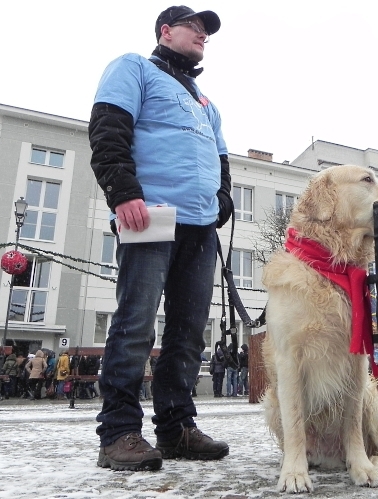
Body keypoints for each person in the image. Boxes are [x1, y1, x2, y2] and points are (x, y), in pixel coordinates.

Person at [88, 5, 232, 471]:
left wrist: (224, 199)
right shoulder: (133, 67)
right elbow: (108, 128)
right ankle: (119, 432)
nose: (203, 36)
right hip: (149, 214)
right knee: (135, 323)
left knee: (189, 332)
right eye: (195, 28)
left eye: (207, 32)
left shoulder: (205, 102)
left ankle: (176, 429)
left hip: (199, 224)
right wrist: (123, 193)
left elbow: (221, 159)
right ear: (166, 31)